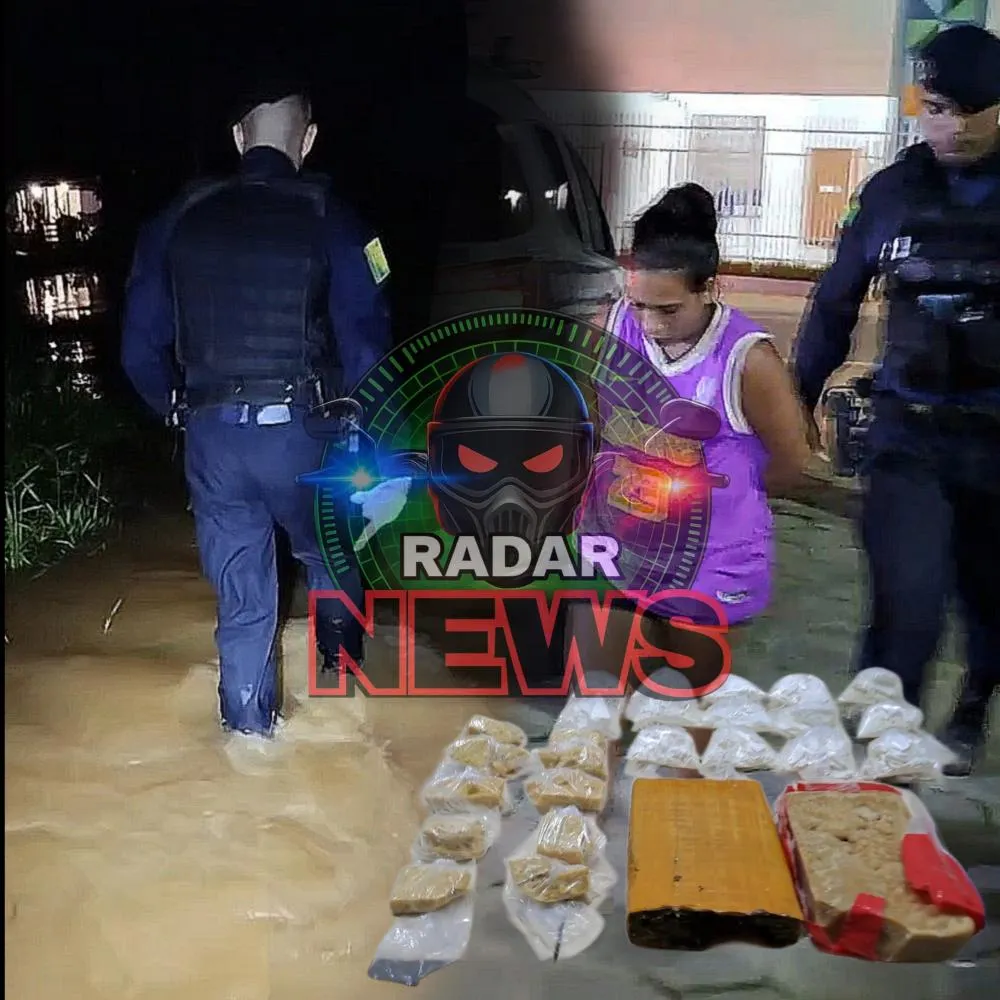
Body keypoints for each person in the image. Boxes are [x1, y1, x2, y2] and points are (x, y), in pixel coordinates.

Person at [121, 83, 393, 738]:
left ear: (239, 137)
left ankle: (247, 739)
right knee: (331, 558)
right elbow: (369, 345)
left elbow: (137, 347)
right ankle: (339, 704)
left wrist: (176, 410)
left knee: (243, 605)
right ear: (309, 139)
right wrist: (365, 435)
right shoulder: (339, 219)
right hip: (308, 433)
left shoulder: (176, 218)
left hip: (213, 437)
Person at [792, 24, 1000, 776]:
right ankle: (883, 749)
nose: (949, 127)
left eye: (967, 111)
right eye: (935, 108)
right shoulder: (890, 193)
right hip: (908, 432)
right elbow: (834, 304)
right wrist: (795, 401)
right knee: (906, 599)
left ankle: (973, 706)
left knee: (987, 597)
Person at [571, 182, 811, 680]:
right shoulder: (606, 330)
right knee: (599, 698)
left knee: (684, 706)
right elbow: (588, 423)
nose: (650, 324)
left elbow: (790, 464)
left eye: (668, 309)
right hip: (618, 547)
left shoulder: (748, 361)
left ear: (709, 288)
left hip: (711, 558)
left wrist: (721, 499)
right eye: (638, 305)